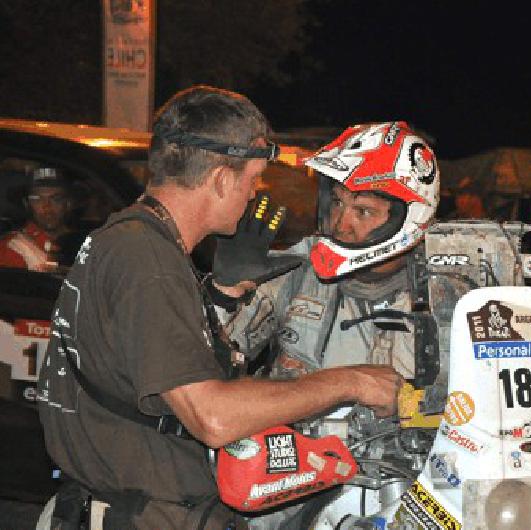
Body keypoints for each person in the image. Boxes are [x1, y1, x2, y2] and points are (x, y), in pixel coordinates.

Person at [36, 86, 402, 530]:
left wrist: (224, 296)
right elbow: (213, 416)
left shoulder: (127, 242)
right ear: (222, 179)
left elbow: (148, 374)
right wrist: (351, 381)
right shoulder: (148, 262)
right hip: (142, 514)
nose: (253, 196)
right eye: (253, 181)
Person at [219, 121, 440, 528]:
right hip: (286, 494)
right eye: (336, 202)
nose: (340, 223)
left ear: (408, 217)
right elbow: (210, 364)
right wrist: (225, 293)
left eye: (363, 211)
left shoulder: (449, 291)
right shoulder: (298, 268)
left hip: (410, 496)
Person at [0, 166, 75, 271]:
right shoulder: (14, 246)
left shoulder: (87, 242)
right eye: (37, 199)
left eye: (56, 198)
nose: (47, 206)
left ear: (68, 204)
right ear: (26, 204)